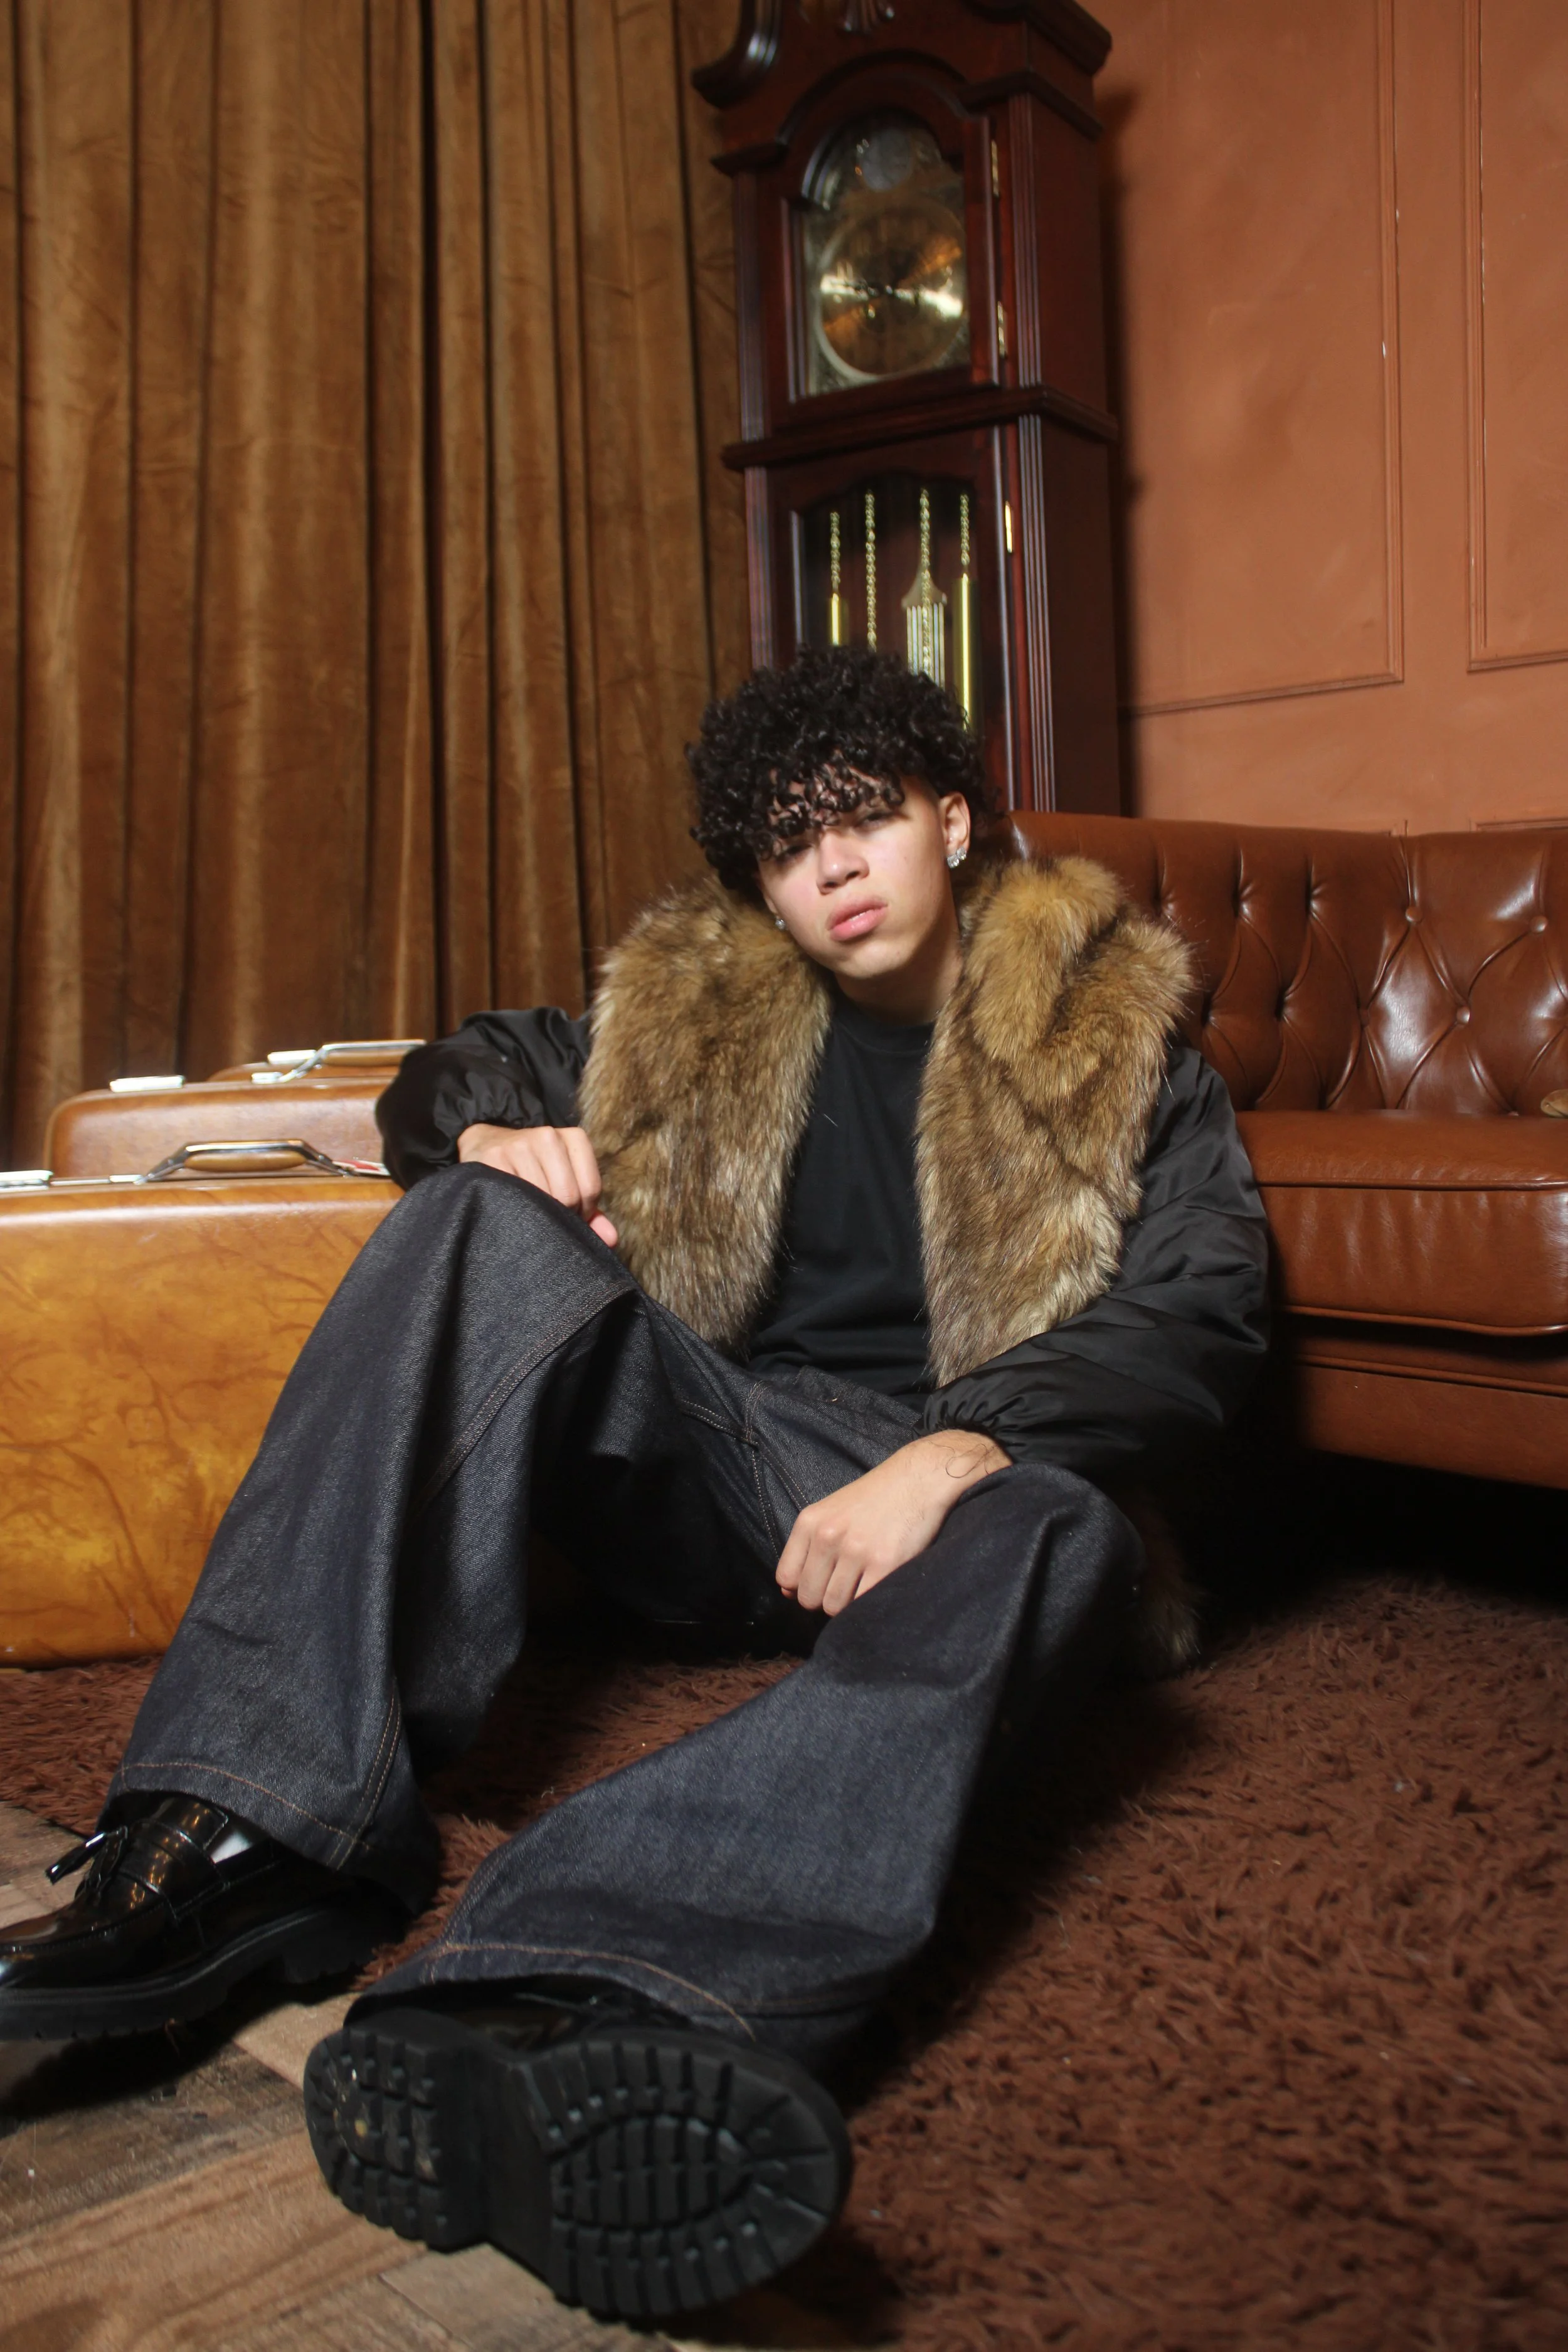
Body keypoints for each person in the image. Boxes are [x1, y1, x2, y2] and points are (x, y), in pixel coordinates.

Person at [0, 649, 1269, 2323]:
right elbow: (463, 1060)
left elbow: (1202, 1305)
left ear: (950, 819)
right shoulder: (704, 1013)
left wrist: (963, 1445)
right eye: (783, 843)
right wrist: (481, 1131)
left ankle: (570, 1976)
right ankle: (251, 1825)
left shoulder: (1122, 1044)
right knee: (464, 1218)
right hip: (724, 1453)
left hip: (948, 1484)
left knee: (1065, 1522)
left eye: (864, 819)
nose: (829, 867)